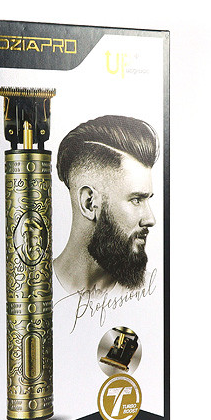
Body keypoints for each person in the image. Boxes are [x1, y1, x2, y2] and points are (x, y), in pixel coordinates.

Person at [54, 115, 158, 294]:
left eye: (147, 200)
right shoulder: (31, 290)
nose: (150, 219)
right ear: (89, 203)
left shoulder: (152, 291)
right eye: (136, 200)